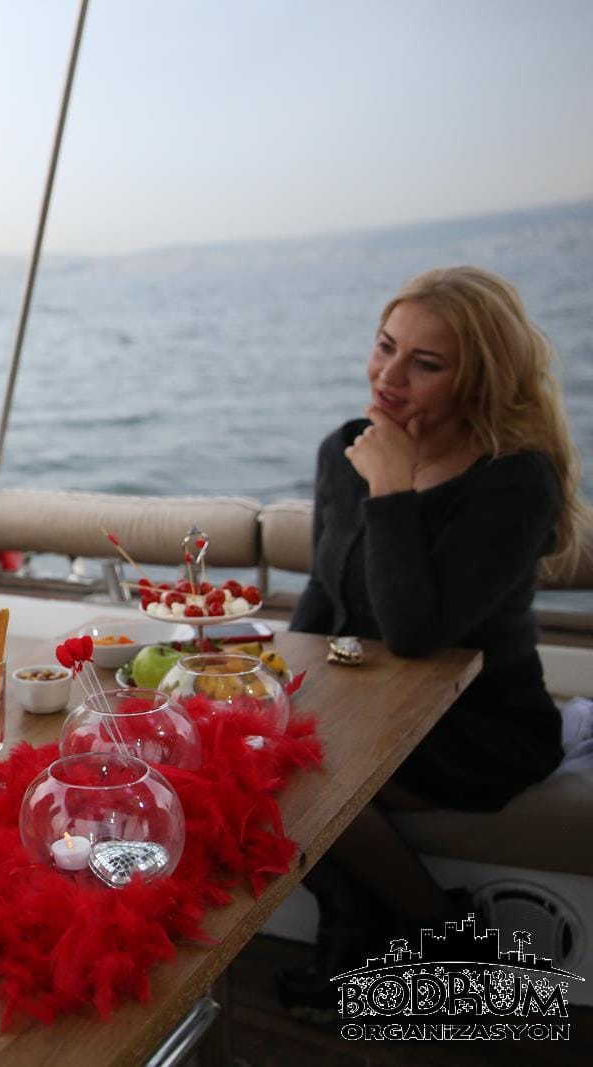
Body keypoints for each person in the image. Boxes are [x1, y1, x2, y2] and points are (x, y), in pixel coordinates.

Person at [280, 265, 587, 1016]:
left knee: (294, 779)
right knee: (239, 746)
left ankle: (448, 939)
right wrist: (275, 690)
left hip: (475, 726)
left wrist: (391, 488)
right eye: (385, 346)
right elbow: (323, 592)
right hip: (370, 707)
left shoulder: (515, 481)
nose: (388, 376)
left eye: (425, 363)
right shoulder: (344, 450)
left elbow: (415, 634)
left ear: (478, 380)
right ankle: (352, 917)